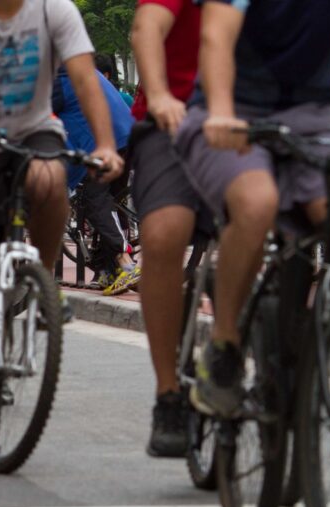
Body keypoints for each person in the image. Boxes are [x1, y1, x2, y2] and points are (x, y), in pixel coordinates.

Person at [0, 0, 124, 428]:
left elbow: (86, 79)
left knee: (50, 178)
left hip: (33, 131)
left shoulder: (56, 11)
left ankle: (42, 282)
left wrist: (105, 144)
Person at [180, 0, 330, 418]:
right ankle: (224, 344)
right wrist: (219, 112)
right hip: (234, 112)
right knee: (257, 203)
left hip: (315, 116)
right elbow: (216, 36)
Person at [128, 0, 201, 457]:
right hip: (172, 121)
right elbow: (147, 27)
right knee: (162, 234)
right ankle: (169, 393)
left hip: (262, 120)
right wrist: (158, 95)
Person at [52, 66, 138, 295]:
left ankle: (125, 260)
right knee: (113, 200)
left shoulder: (58, 80)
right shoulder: (85, 69)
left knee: (95, 199)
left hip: (102, 142)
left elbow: (38, 117)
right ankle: (108, 270)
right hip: (127, 136)